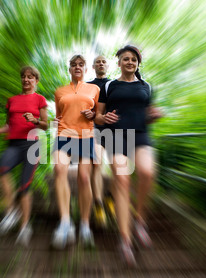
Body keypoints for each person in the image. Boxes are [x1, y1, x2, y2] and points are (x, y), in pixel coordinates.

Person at [94, 45, 163, 266]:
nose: (130, 62)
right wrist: (104, 119)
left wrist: (154, 115)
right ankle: (125, 240)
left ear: (138, 63)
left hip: (141, 135)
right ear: (119, 62)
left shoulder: (146, 86)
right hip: (116, 137)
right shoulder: (110, 86)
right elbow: (97, 116)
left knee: (147, 173)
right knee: (122, 180)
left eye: (133, 59)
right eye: (125, 59)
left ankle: (139, 219)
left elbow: (148, 113)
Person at [0, 66, 48, 247]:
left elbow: (45, 125)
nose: (26, 79)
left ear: (36, 81)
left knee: (24, 186)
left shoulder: (40, 99)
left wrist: (35, 121)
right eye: (24, 77)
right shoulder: (12, 101)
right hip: (13, 145)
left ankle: (25, 226)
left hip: (32, 145)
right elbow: (9, 124)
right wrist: (1, 129)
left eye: (30, 77)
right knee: (1, 169)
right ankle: (11, 213)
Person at [52, 54, 100, 249]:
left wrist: (94, 114)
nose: (77, 67)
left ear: (86, 69)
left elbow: (99, 114)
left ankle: (85, 224)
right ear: (69, 69)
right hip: (64, 135)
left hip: (86, 136)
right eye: (73, 65)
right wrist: (54, 123)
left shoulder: (94, 89)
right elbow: (58, 115)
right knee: (59, 170)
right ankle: (65, 222)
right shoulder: (59, 91)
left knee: (84, 178)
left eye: (81, 64)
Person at [87, 55, 112, 228]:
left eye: (103, 61)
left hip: (116, 130)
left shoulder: (115, 84)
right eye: (98, 62)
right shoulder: (87, 86)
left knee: (121, 167)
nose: (101, 63)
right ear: (93, 66)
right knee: (96, 164)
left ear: (108, 65)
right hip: (95, 129)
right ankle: (98, 204)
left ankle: (111, 197)